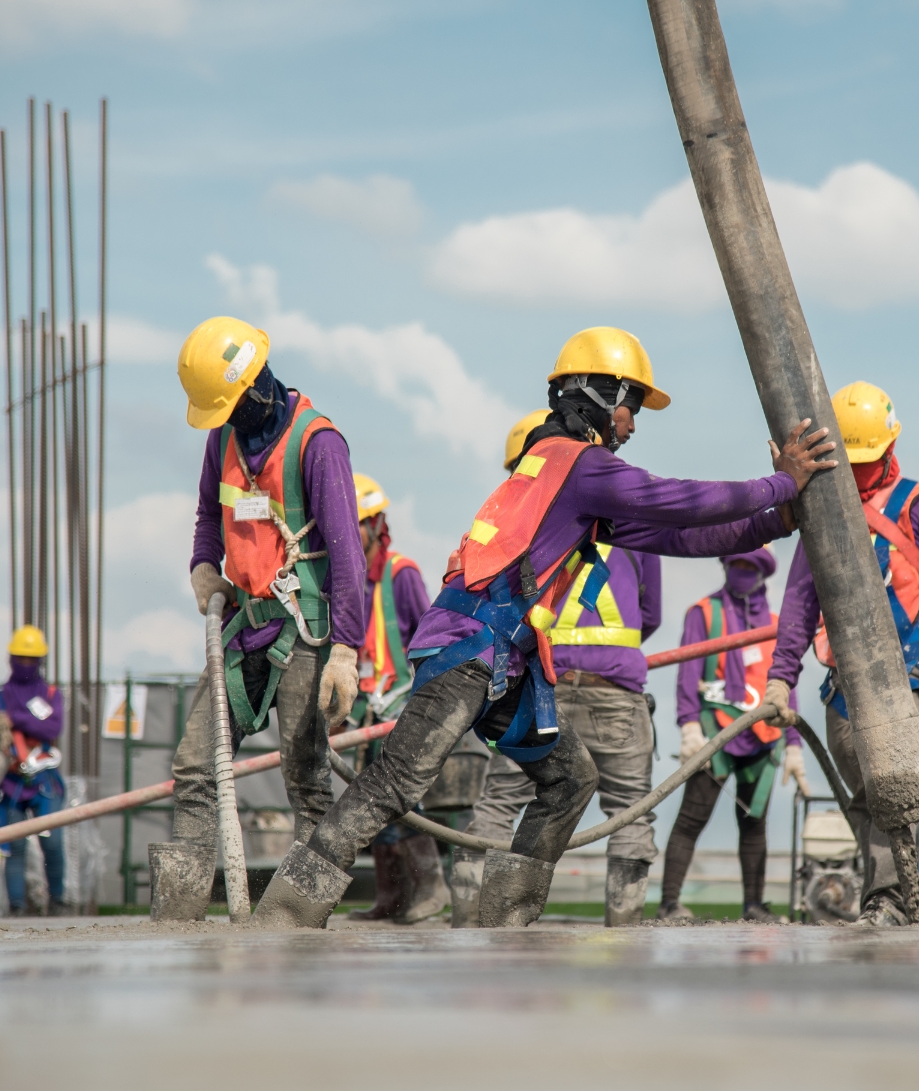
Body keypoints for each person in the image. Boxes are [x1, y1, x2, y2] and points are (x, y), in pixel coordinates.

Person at [252, 325, 836, 929]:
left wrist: (776, 519)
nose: (633, 426)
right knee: (397, 781)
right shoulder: (575, 465)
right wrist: (781, 482)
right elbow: (680, 501)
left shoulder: (556, 474)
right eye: (631, 408)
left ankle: (510, 914)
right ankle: (289, 911)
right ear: (598, 398)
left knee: (568, 779)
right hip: (470, 651)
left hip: (497, 661)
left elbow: (678, 536)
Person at [151, 316, 365, 922]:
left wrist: (347, 653)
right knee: (195, 765)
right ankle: (180, 915)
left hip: (304, 633)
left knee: (308, 783)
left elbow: (349, 556)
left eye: (229, 406)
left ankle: (298, 919)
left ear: (256, 387)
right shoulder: (221, 441)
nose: (224, 420)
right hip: (245, 630)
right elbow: (205, 514)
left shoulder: (318, 444)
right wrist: (203, 565)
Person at [764, 381, 919, 926]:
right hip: (841, 682)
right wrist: (780, 677)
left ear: (890, 448)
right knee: (868, 796)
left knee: (888, 790)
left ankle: (888, 901)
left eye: (867, 459)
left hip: (903, 676)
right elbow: (799, 600)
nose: (859, 471)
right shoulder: (821, 507)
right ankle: (900, 900)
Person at [451, 408, 664, 928]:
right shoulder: (633, 525)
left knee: (501, 802)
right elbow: (650, 613)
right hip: (614, 691)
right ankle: (624, 929)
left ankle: (469, 925)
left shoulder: (512, 530)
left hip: (537, 690)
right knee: (630, 811)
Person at [657, 549, 807, 923]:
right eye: (737, 564)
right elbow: (688, 672)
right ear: (725, 565)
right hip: (716, 731)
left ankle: (753, 906)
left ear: (762, 572)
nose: (743, 571)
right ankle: (669, 903)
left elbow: (787, 685)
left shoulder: (774, 623)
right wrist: (689, 726)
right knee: (692, 818)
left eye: (751, 566)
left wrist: (793, 746)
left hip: (764, 736)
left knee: (754, 823)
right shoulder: (703, 613)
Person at [344, 472, 449, 925]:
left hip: (400, 703)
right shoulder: (344, 577)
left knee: (406, 798)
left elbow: (427, 637)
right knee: (371, 801)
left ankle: (431, 889)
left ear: (375, 525)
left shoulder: (400, 573)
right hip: (365, 707)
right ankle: (393, 897)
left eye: (356, 526)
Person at [0, 626, 69, 916]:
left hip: (43, 781)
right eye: (21, 658)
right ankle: (17, 907)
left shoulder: (51, 694)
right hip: (10, 785)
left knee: (52, 841)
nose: (26, 664)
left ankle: (57, 901)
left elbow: (52, 727)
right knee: (14, 846)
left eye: (32, 659)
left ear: (41, 660)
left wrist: (17, 719)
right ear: (11, 659)